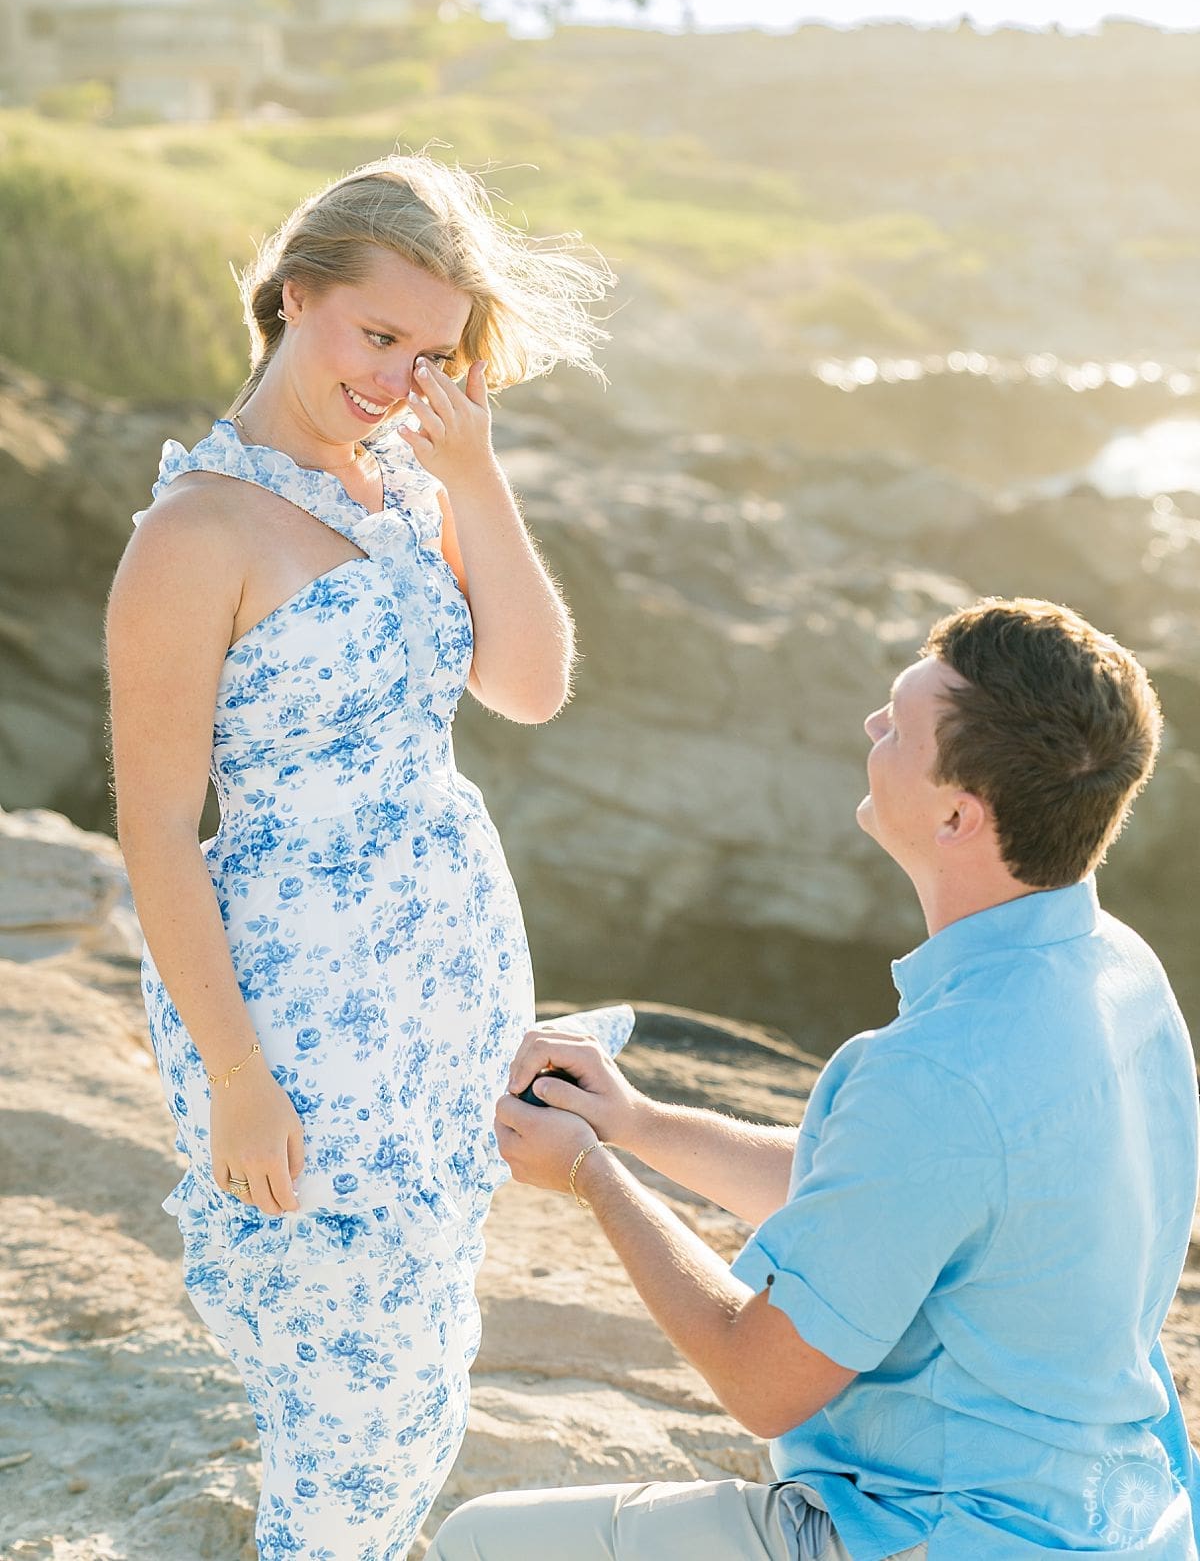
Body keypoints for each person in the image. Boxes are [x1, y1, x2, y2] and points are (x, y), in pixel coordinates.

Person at [431, 597, 1200, 1560]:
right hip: (1122, 1517)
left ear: (960, 813)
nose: (872, 727)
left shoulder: (935, 1076)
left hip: (942, 1535)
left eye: (899, 721)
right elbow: (880, 1195)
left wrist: (592, 1174)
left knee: (475, 1545)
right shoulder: (1122, 970)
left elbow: (760, 1381)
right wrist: (634, 1120)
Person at [104, 153, 611, 1560]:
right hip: (299, 1010)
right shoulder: (194, 531)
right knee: (349, 1408)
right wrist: (240, 1077)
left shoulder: (410, 485)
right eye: (375, 335)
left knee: (423, 1361)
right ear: (295, 294)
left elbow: (527, 683)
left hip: (440, 979)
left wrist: (480, 479)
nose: (396, 377)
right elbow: (156, 828)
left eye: (431, 352)